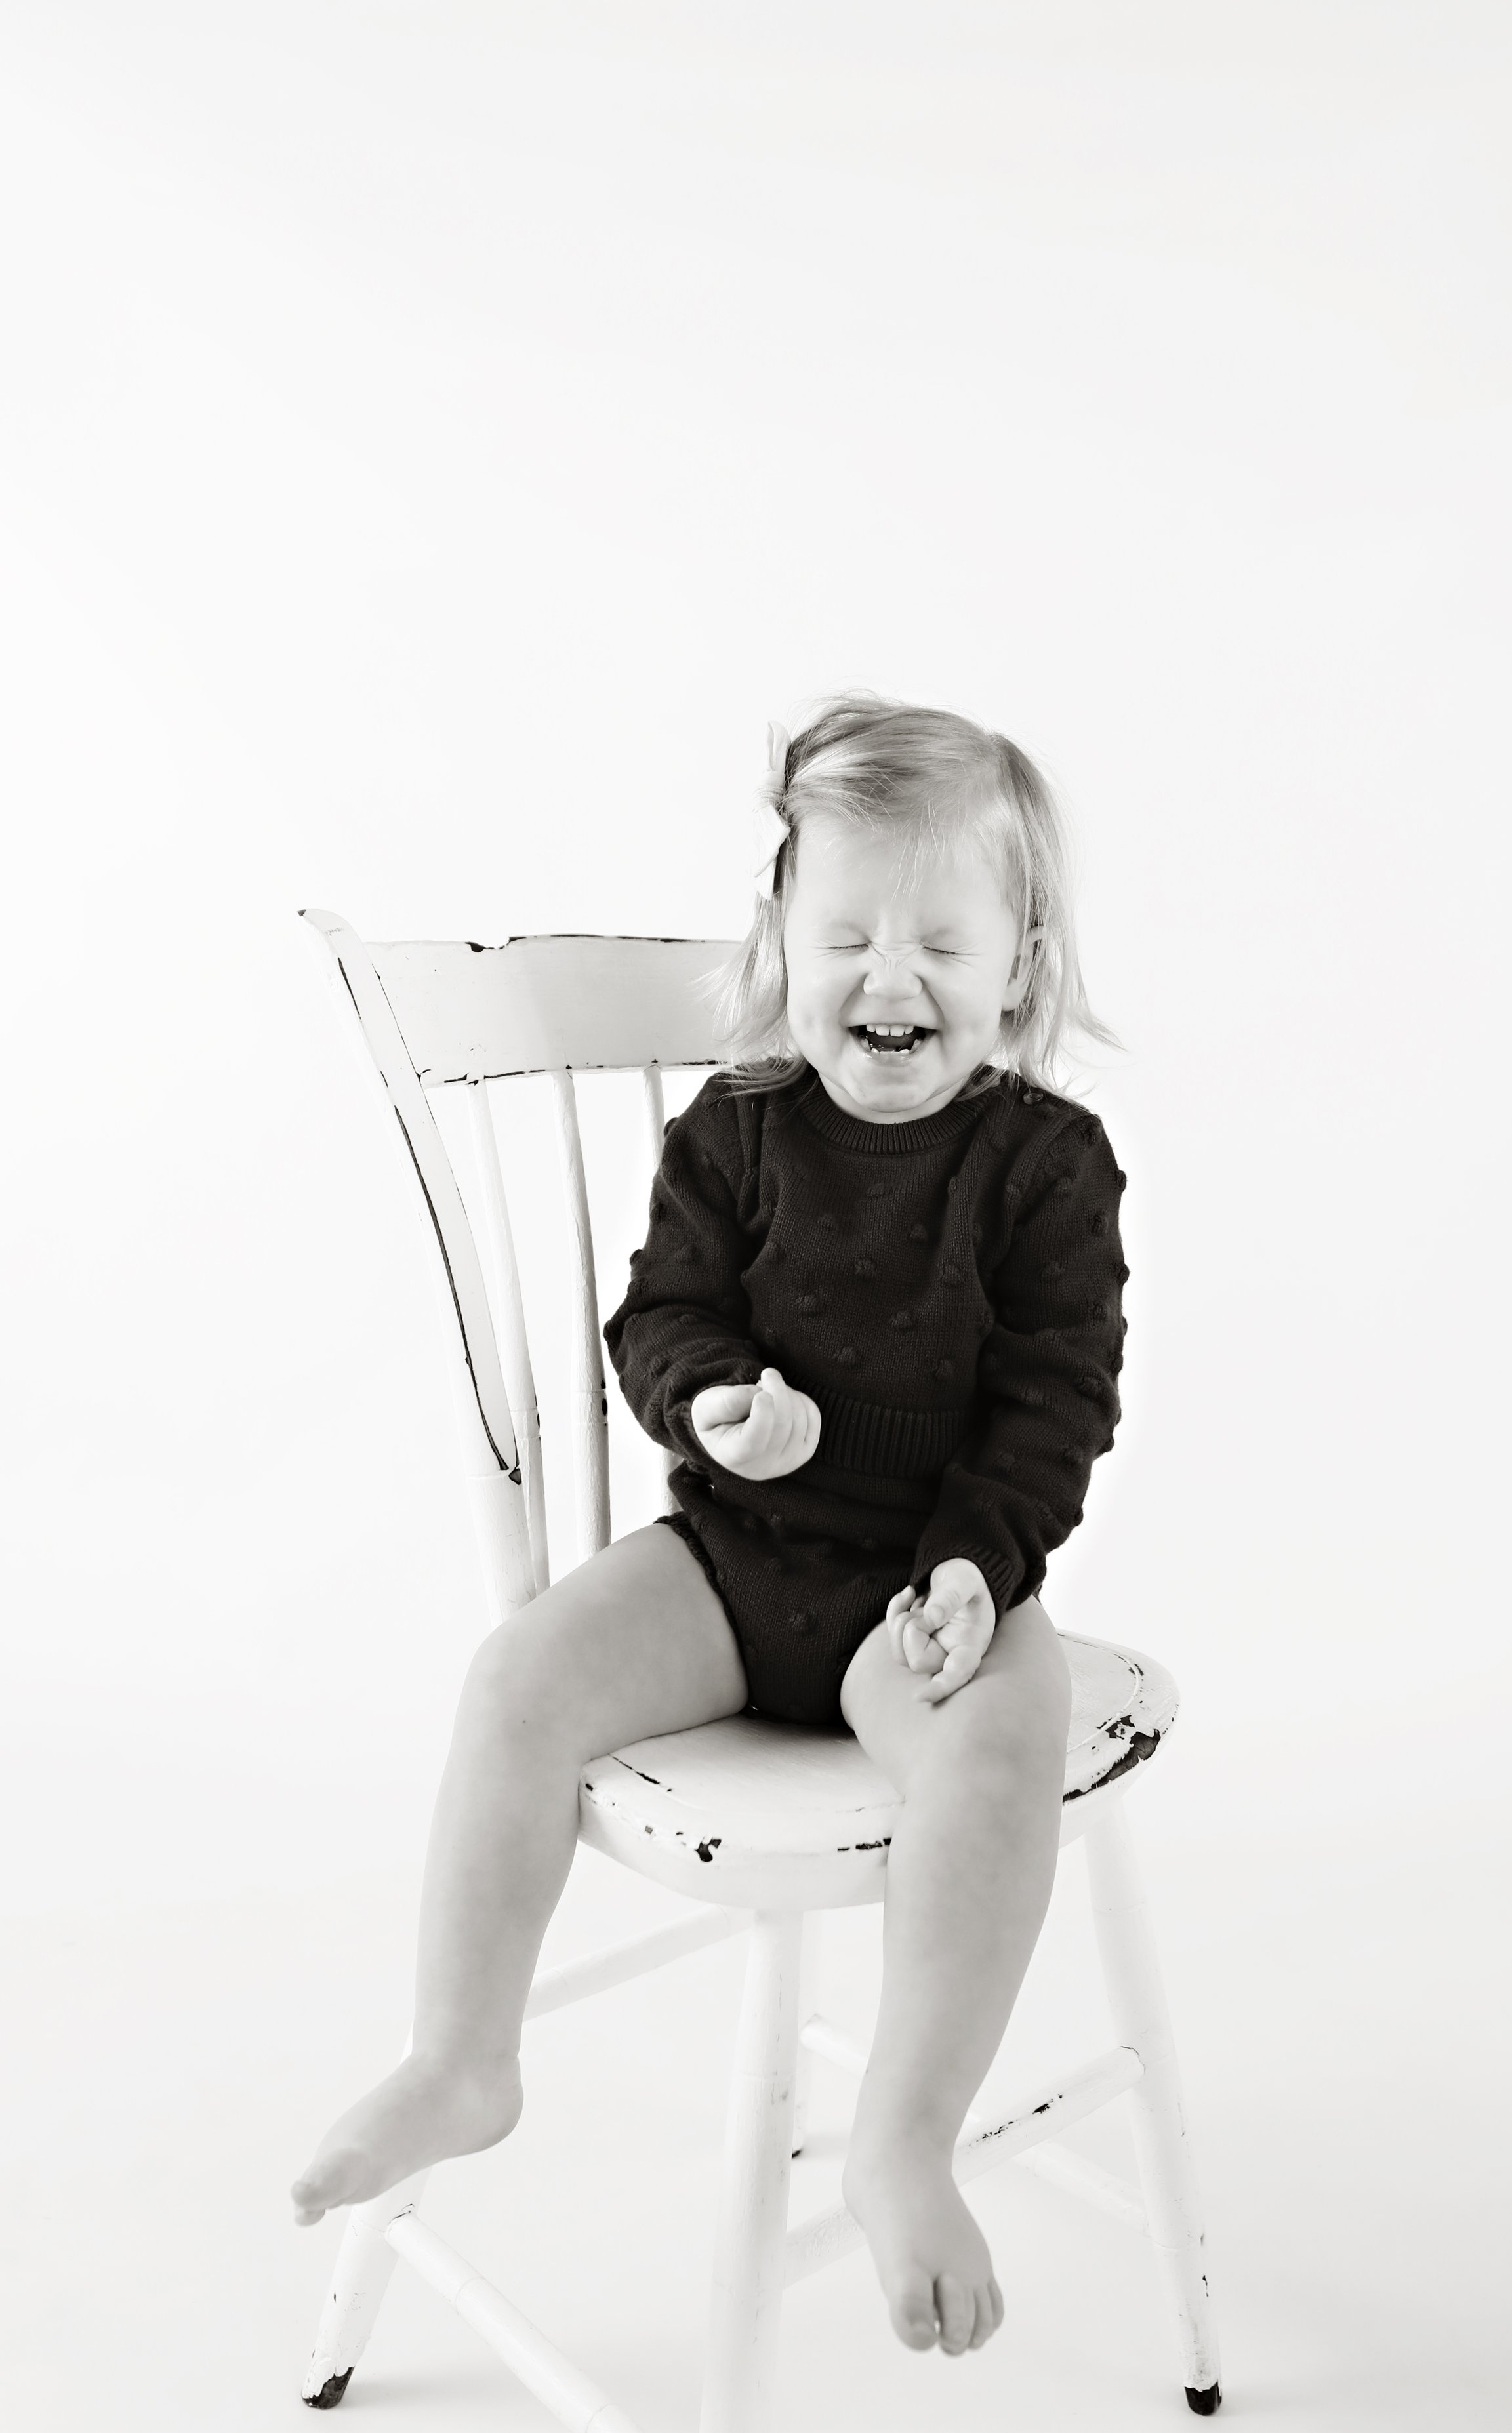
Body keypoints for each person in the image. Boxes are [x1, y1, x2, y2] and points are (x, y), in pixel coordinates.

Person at [291, 695, 1128, 2360]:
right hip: (733, 1570)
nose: (889, 979)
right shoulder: (733, 1131)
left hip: (927, 1591)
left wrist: (973, 1568)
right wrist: (716, 1398)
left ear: (1019, 969)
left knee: (995, 1751)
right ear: (780, 942)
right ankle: (465, 2057)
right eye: (846, 936)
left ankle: (902, 2128)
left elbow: (1057, 1400)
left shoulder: (1046, 1168)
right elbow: (656, 1317)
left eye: (940, 943)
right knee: (519, 1675)